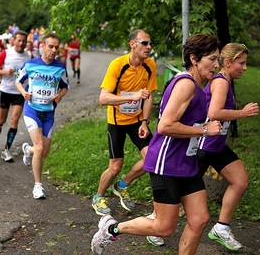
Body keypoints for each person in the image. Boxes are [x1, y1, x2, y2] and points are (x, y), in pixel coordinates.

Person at [91, 33, 223, 255]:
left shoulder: (196, 86)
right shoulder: (186, 85)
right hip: (167, 163)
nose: (216, 65)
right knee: (163, 227)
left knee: (200, 219)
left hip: (186, 162)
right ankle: (111, 228)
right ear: (194, 59)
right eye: (211, 59)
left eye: (218, 59)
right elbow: (165, 126)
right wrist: (204, 130)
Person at [196, 43, 258, 251]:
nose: (245, 67)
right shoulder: (221, 82)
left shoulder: (226, 81)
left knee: (240, 181)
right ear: (228, 63)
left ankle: (221, 228)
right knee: (180, 190)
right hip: (204, 145)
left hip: (217, 145)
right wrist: (242, 113)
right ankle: (155, 223)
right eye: (241, 63)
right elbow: (214, 113)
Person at [91, 29, 157, 216]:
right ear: (132, 44)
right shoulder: (118, 65)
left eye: (150, 43)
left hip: (137, 121)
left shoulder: (150, 65)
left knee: (153, 157)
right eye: (144, 43)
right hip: (117, 122)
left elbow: (149, 95)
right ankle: (98, 197)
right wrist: (132, 97)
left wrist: (144, 121)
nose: (149, 47)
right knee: (115, 166)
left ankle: (122, 184)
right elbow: (103, 98)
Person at [15, 32, 69, 199]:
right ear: (42, 46)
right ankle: (38, 186)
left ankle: (27, 149)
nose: (54, 50)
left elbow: (65, 86)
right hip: (32, 111)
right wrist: (24, 92)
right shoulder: (30, 64)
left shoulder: (60, 67)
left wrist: (60, 95)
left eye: (56, 47)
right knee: (39, 148)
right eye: (50, 46)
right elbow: (18, 80)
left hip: (49, 113)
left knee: (43, 152)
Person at [0, 30, 30, 162]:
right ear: (13, 40)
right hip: (5, 91)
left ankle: (6, 149)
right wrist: (5, 71)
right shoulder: (6, 53)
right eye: (19, 40)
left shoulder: (29, 56)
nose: (21, 43)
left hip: (19, 93)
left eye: (24, 41)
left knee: (14, 120)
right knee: (2, 119)